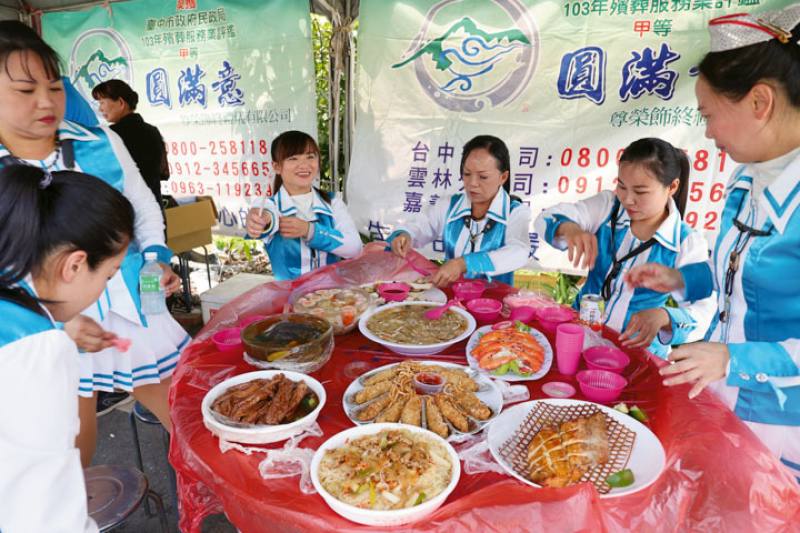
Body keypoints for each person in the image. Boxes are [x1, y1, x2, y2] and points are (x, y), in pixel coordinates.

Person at [0, 21, 189, 467]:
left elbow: (142, 205)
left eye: (54, 85)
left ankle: (211, 501)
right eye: (26, 90)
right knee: (68, 447)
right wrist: (52, 325)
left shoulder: (99, 142)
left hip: (132, 309)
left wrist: (156, 258)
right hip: (43, 330)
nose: (46, 101)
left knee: (184, 416)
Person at [624, 6, 800, 479]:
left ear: (760, 103)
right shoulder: (747, 181)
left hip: (786, 427)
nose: (706, 131)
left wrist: (732, 358)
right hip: (729, 407)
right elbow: (739, 280)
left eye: (709, 114)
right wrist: (680, 278)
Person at [0, 164, 135, 532]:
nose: (104, 287)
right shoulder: (38, 353)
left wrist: (59, 325)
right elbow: (49, 514)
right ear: (75, 264)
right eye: (108, 275)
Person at [534, 138, 716, 357]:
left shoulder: (686, 242)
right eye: (621, 186)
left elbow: (705, 310)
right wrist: (569, 229)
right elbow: (545, 218)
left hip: (638, 354)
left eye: (640, 192)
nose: (628, 199)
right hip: (580, 336)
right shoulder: (607, 206)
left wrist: (663, 317)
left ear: (672, 187)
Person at [388, 135, 531, 286]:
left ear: (503, 177)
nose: (472, 183)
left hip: (495, 304)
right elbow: (420, 226)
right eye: (467, 174)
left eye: (483, 177)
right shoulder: (449, 205)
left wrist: (463, 264)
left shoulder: (515, 212)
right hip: (452, 299)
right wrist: (405, 235)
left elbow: (518, 252)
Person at [245, 130, 362, 280]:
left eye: (310, 157)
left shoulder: (332, 202)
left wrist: (310, 231)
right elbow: (265, 216)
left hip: (331, 298)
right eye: (293, 158)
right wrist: (259, 221)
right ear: (277, 167)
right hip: (289, 299)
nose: (304, 165)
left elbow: (355, 248)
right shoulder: (270, 205)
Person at [92, 79, 169, 207]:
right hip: (154, 212)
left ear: (121, 103)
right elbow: (162, 173)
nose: (100, 109)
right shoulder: (152, 131)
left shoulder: (112, 136)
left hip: (126, 214)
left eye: (102, 102)